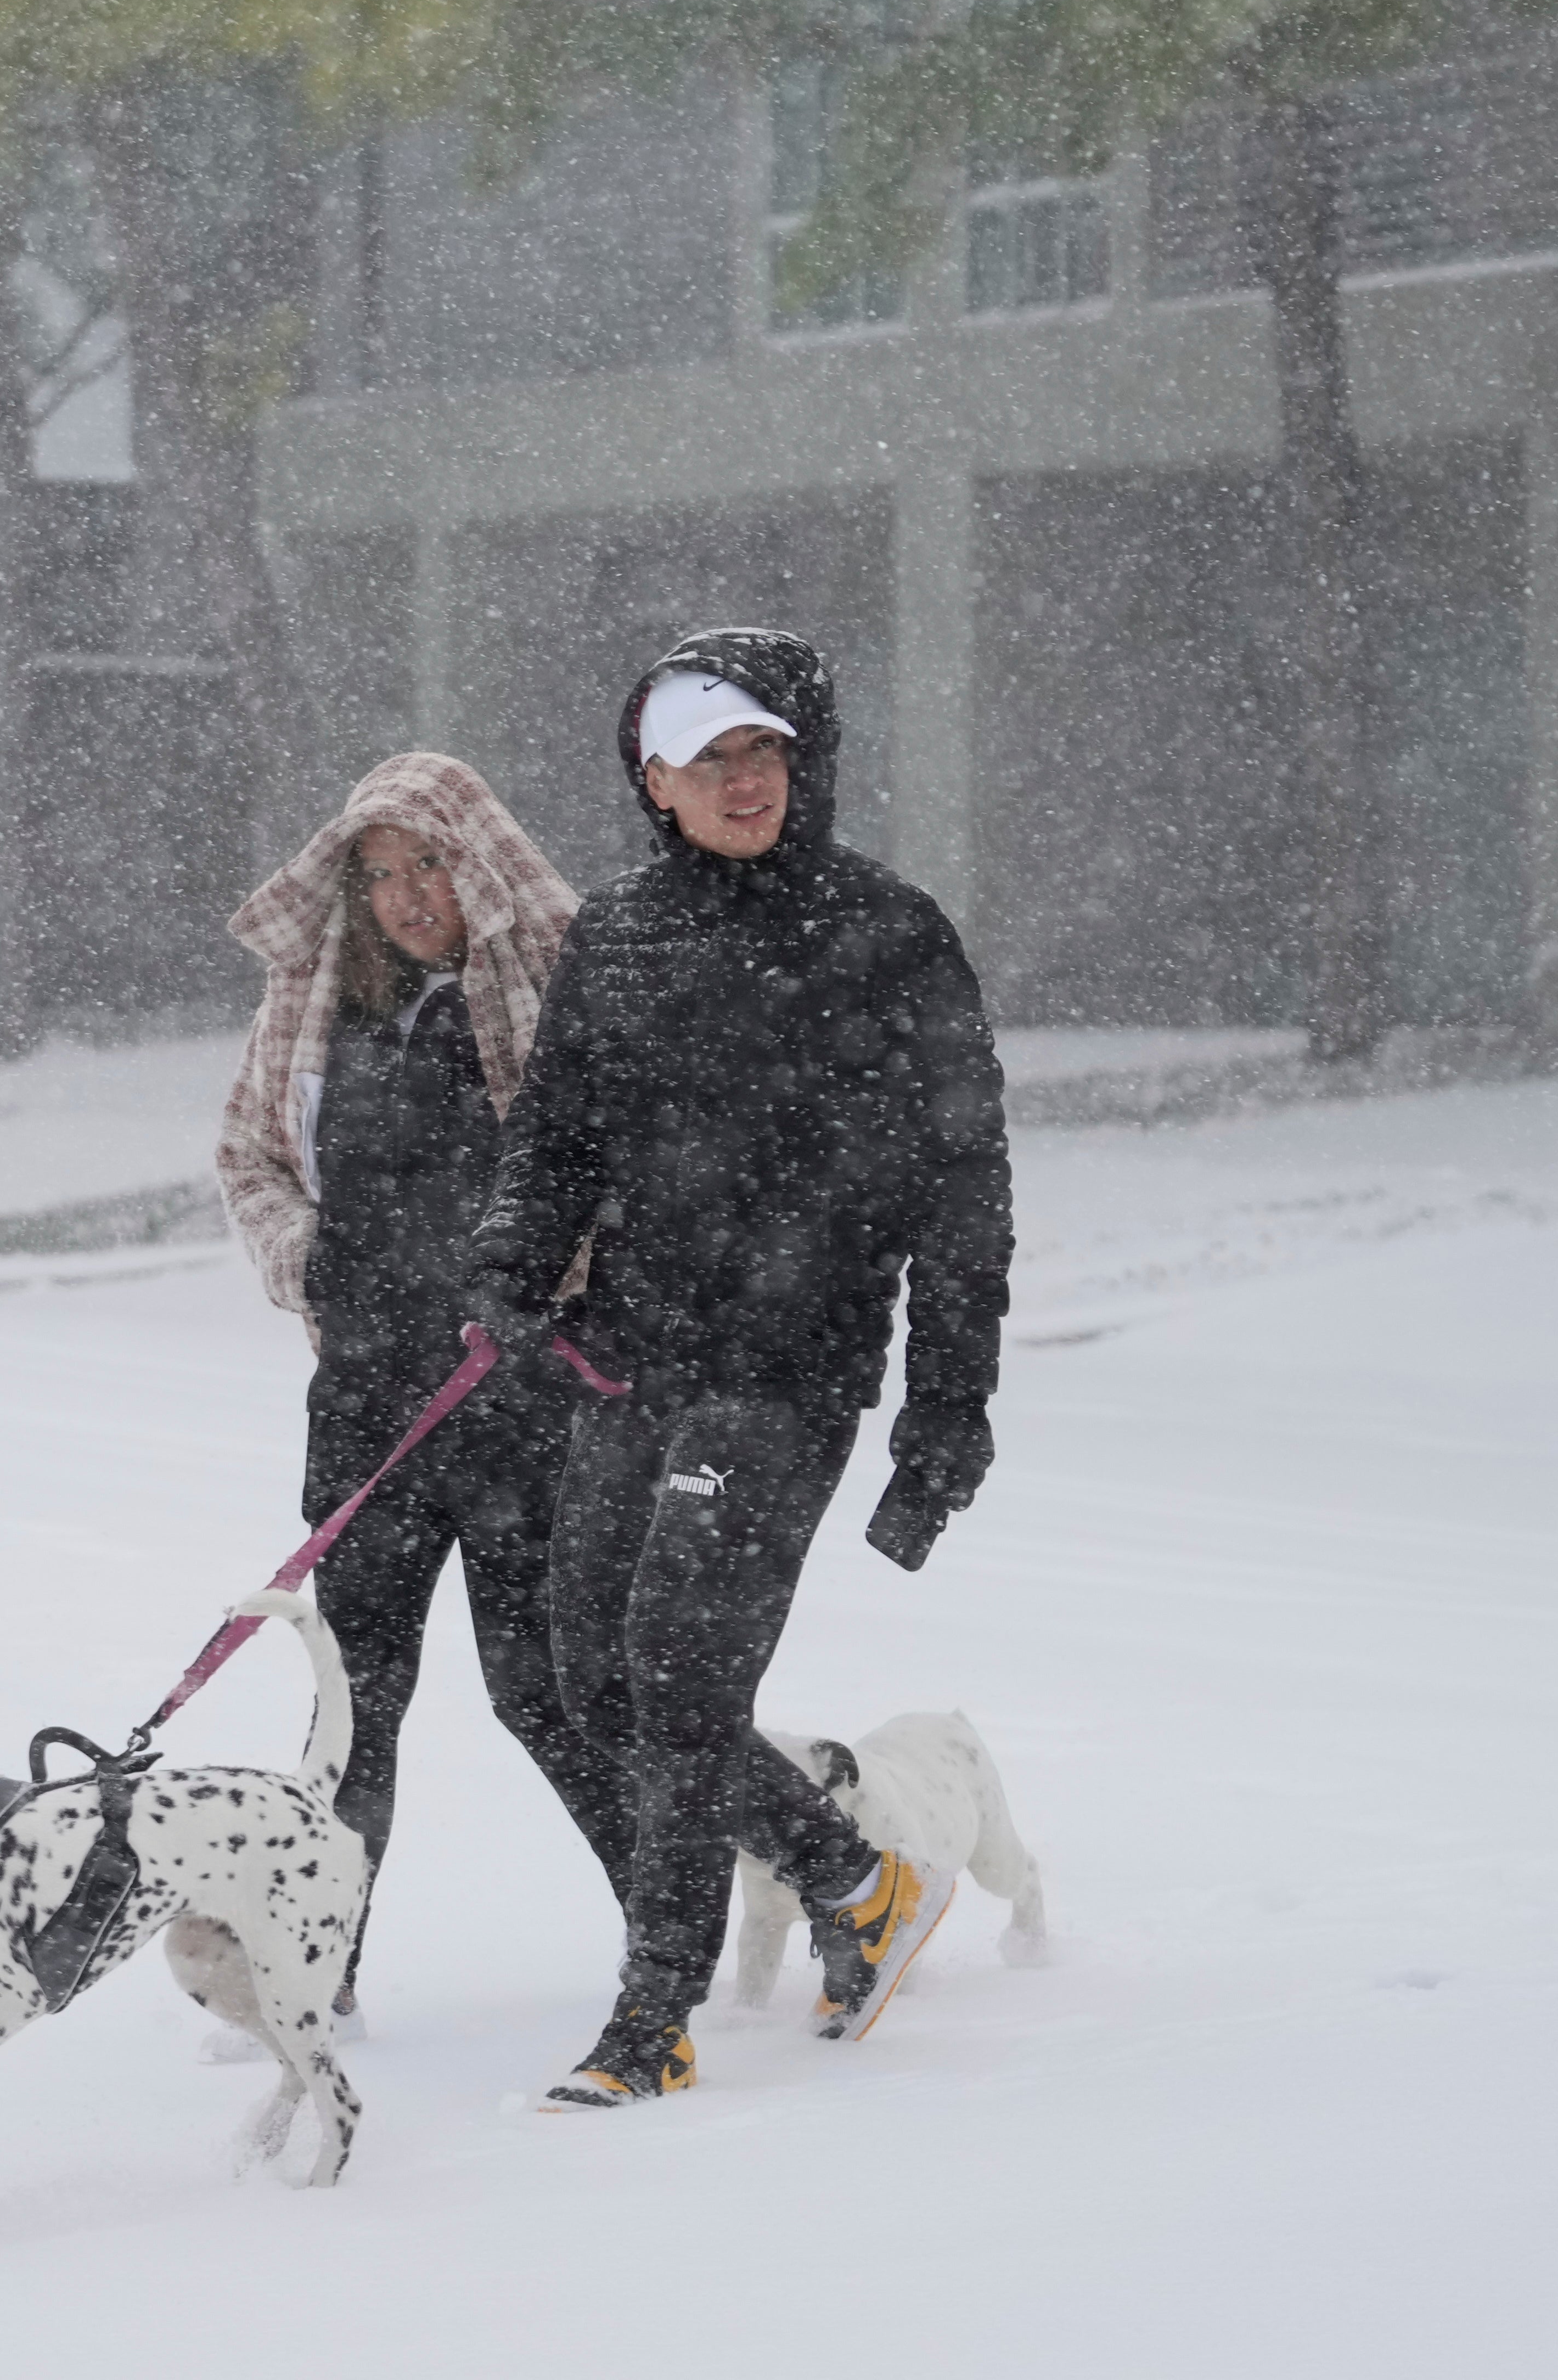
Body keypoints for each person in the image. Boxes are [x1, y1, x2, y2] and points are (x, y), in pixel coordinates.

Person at [466, 627, 1011, 2109]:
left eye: (766, 752)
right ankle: (855, 1881)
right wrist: (510, 1268)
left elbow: (968, 1191)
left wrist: (947, 1409)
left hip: (792, 1371)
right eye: (711, 759)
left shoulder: (889, 935)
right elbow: (559, 1138)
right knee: (586, 1674)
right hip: (633, 1356)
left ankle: (653, 2022)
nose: (745, 782)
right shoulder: (621, 934)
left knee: (681, 1674)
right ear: (651, 779)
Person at [217, 752, 633, 2025]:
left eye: (428, 866)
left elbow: (621, 1177)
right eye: (379, 875)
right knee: (354, 1703)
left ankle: (679, 1920)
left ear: (481, 864)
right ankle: (314, 1974)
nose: (404, 898)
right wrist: (307, 1260)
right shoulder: (318, 1007)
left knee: (552, 1692)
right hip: (365, 1412)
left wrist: (550, 1288)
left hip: (524, 1414)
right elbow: (249, 1156)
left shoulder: (560, 996)